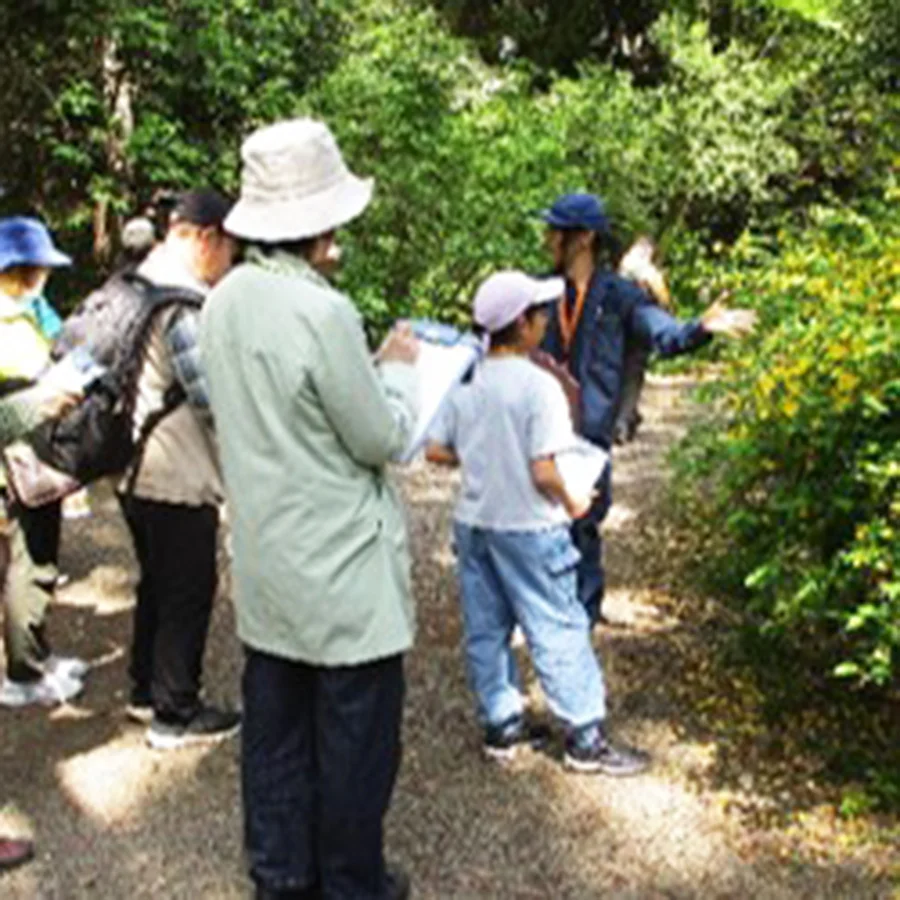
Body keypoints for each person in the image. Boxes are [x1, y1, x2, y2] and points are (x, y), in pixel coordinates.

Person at [201, 118, 418, 900]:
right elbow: (376, 437)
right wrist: (391, 370)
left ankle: (281, 876)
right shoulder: (324, 313)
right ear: (317, 222)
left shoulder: (222, 302)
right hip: (342, 571)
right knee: (355, 744)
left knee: (276, 736)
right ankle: (352, 882)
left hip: (268, 560)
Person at [425, 271, 648, 775]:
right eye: (539, 314)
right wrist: (574, 501)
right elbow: (544, 469)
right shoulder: (539, 387)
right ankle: (585, 737)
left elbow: (437, 451)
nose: (545, 322)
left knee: (487, 627)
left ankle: (501, 724)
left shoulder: (466, 383)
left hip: (476, 523)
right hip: (530, 526)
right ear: (521, 324)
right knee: (557, 624)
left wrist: (481, 451)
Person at [539, 193, 756, 624]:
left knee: (582, 529)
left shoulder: (620, 297)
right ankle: (547, 619)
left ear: (582, 239)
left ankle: (582, 626)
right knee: (539, 530)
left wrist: (701, 328)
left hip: (588, 440)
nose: (547, 238)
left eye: (555, 230)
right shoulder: (539, 292)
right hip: (540, 435)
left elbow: (665, 335)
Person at [117, 189, 241, 749]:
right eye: (230, 247)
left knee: (157, 583)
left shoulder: (137, 280)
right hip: (174, 470)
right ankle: (175, 710)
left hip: (129, 464)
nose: (230, 261)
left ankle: (144, 689)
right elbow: (210, 396)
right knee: (189, 587)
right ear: (207, 237)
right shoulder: (182, 302)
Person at [0, 216, 88, 707]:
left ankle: (35, 651)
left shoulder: (22, 314)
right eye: (37, 271)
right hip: (17, 467)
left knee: (36, 556)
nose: (44, 280)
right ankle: (23, 673)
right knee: (27, 564)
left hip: (32, 460)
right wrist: (45, 399)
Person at [613, 236, 672, 444]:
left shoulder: (622, 268)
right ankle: (622, 423)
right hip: (639, 323)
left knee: (619, 371)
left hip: (617, 324)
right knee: (633, 373)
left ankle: (628, 414)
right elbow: (662, 295)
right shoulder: (646, 270)